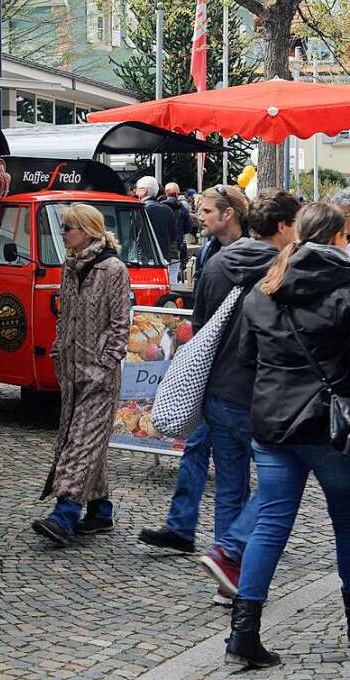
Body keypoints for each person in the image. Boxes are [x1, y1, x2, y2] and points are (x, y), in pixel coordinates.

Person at [225, 202, 350, 668]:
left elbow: (246, 358)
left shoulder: (264, 287)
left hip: (272, 423)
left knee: (270, 524)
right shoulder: (344, 288)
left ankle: (243, 632)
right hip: (327, 427)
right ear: (337, 236)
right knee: (347, 523)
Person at [166, 191, 297, 604]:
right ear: (281, 226)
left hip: (218, 390)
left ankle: (227, 577)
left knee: (229, 486)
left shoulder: (216, 263)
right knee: (279, 483)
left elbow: (200, 325)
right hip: (261, 392)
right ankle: (234, 558)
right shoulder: (283, 268)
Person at [138, 186, 251, 577]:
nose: (198, 216)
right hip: (208, 372)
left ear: (229, 214)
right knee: (195, 447)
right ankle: (186, 528)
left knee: (245, 469)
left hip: (232, 376)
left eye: (205, 211)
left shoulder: (252, 252)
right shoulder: (207, 252)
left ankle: (234, 546)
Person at [32, 204, 130, 544]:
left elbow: (121, 323)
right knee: (88, 444)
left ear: (87, 230)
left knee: (79, 445)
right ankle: (100, 510)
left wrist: (108, 360)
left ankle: (65, 513)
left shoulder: (113, 269)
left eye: (68, 228)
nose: (63, 233)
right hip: (73, 370)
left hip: (100, 376)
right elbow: (65, 315)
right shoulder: (70, 267)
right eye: (63, 227)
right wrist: (59, 349)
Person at [135, 176, 181, 282]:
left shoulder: (138, 210)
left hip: (141, 261)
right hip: (162, 260)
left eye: (138, 189)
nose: (136, 192)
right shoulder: (167, 210)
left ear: (144, 191)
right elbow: (173, 236)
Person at [163, 182, 193, 282]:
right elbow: (188, 228)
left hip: (161, 246)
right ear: (177, 194)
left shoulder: (160, 207)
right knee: (174, 273)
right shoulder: (182, 209)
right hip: (177, 245)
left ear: (165, 193)